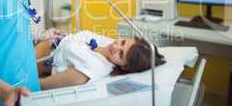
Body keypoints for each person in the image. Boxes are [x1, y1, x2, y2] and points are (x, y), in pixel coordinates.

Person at [35, 30, 166, 89]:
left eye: (121, 54)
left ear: (124, 66)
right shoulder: (107, 43)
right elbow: (76, 37)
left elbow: (41, 84)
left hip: (33, 64)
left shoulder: (94, 68)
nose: (115, 46)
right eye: (123, 41)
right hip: (40, 43)